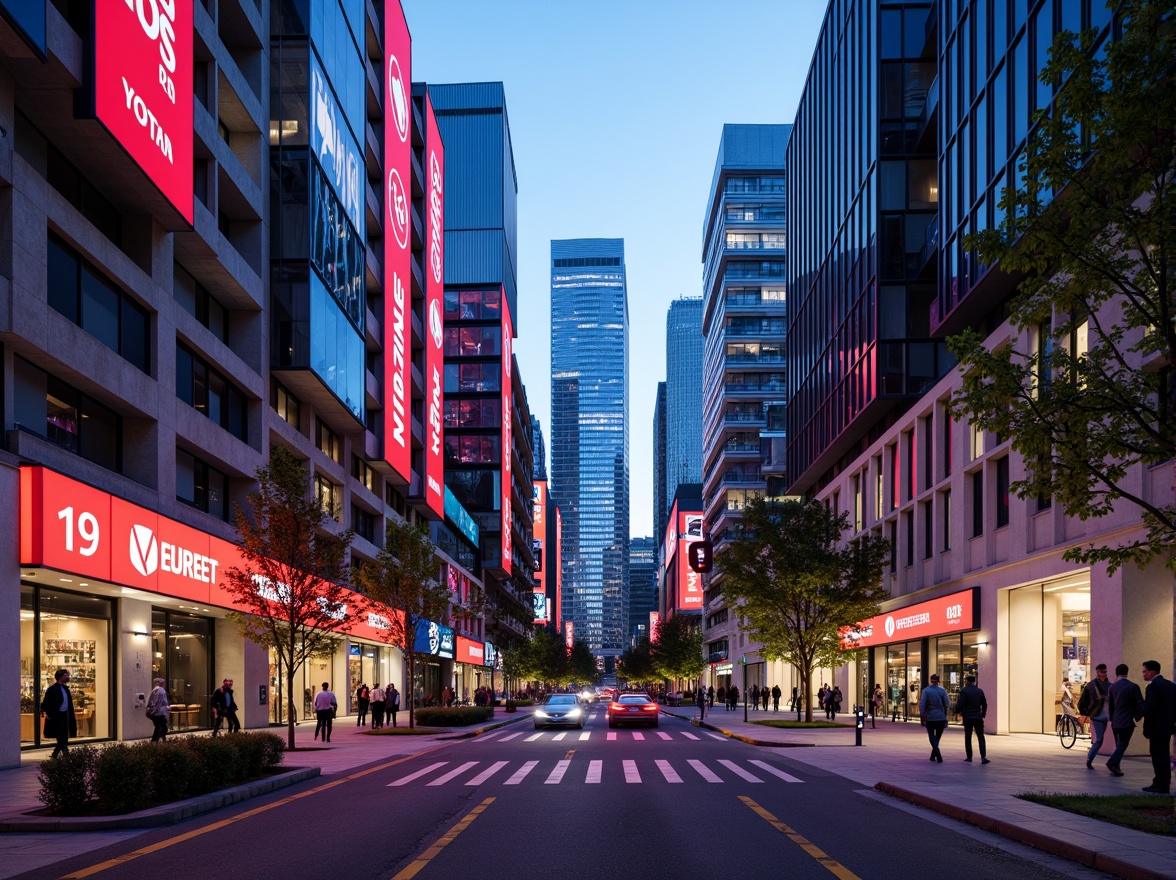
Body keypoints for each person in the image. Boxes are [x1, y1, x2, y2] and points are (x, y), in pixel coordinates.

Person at [1140, 660, 1176, 794]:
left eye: (1145, 671)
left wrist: (1139, 713)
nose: (1143, 674)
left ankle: (1161, 784)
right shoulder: (1170, 686)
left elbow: (1150, 706)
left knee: (1157, 756)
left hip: (1155, 727)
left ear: (1152, 671)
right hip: (1166, 727)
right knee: (1164, 755)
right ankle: (1161, 782)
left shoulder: (1153, 687)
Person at [1105, 663, 1143, 778]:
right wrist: (1138, 715)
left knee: (1119, 745)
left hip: (1115, 721)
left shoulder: (1112, 687)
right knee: (1123, 743)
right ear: (1127, 672)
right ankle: (1112, 763)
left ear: (1117, 673)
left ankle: (1116, 768)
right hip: (1127, 720)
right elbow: (1140, 703)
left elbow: (1110, 705)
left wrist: (1111, 719)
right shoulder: (1133, 686)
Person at [40, 669, 77, 758]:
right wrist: (48, 712)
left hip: (65, 714)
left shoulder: (65, 689)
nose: (68, 677)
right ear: (61, 677)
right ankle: (61, 754)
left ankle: (60, 753)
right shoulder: (52, 689)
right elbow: (46, 702)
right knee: (61, 736)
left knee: (63, 736)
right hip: (57, 716)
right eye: (66, 675)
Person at [1078, 664, 1110, 769]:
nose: (1104, 674)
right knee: (1099, 739)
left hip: (1107, 717)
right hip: (1096, 716)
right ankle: (1089, 758)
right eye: (1102, 672)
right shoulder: (1091, 686)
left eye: (1105, 672)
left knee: (1100, 739)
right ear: (1097, 672)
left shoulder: (1110, 685)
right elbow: (1082, 702)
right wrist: (1086, 713)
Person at [955, 674, 989, 764]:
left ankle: (969, 756)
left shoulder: (964, 691)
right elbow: (984, 703)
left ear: (967, 681)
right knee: (980, 736)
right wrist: (983, 714)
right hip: (978, 716)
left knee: (968, 736)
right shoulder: (979, 691)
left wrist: (957, 711)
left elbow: (960, 703)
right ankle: (983, 756)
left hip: (968, 716)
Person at [919, 673, 950, 763]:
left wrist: (922, 714)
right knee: (938, 736)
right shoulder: (942, 690)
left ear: (930, 680)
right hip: (940, 716)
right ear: (938, 681)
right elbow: (947, 703)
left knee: (931, 736)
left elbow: (922, 704)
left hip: (930, 716)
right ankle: (933, 755)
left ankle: (937, 754)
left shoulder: (926, 691)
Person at [147, 678, 170, 742]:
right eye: (161, 683)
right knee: (160, 726)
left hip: (159, 711)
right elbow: (158, 701)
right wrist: (155, 710)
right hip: (159, 712)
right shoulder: (159, 690)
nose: (163, 684)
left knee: (160, 726)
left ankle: (157, 739)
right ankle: (156, 739)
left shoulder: (157, 690)